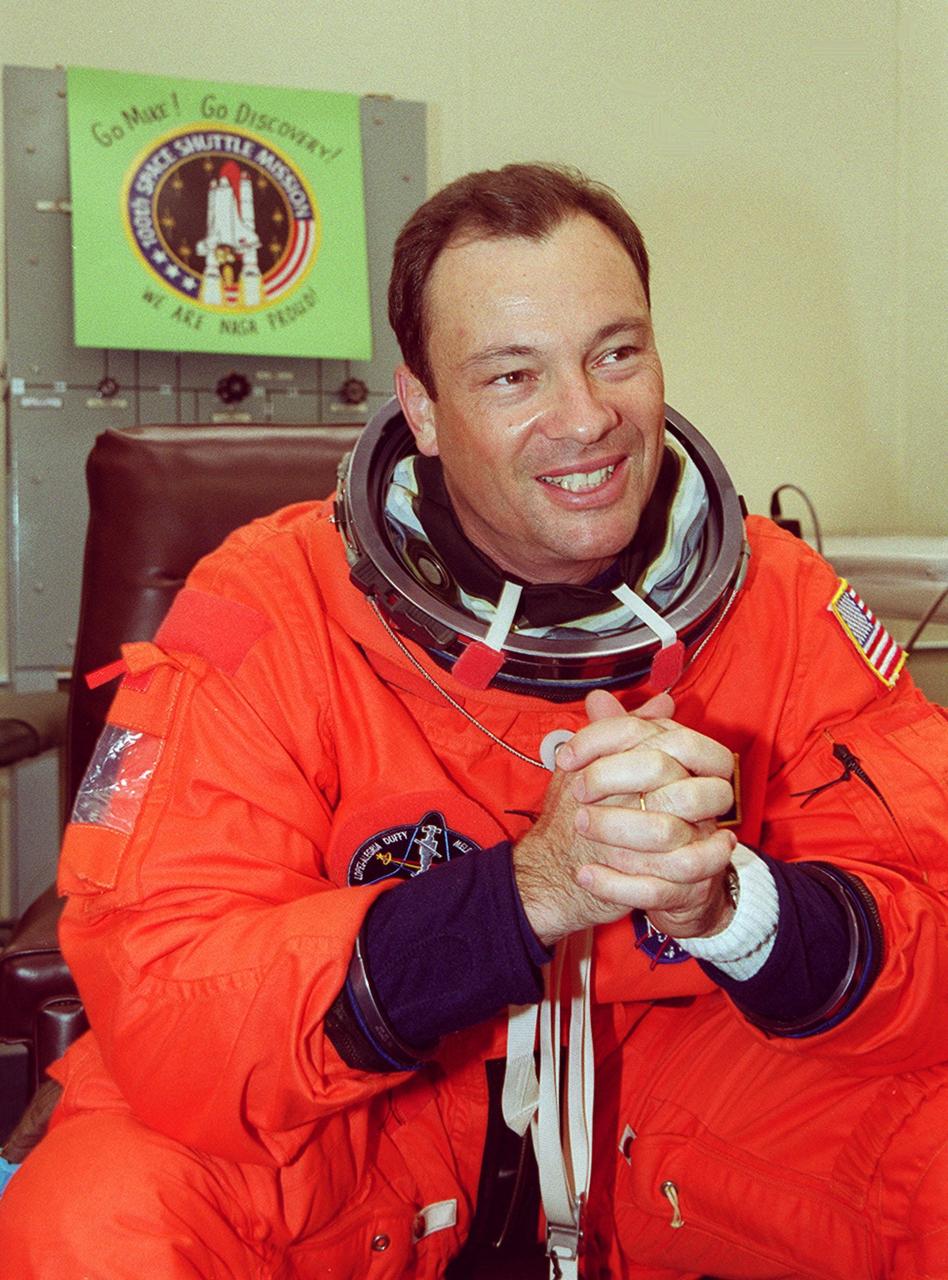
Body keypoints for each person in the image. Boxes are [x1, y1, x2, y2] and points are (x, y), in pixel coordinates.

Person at [1, 163, 946, 1280]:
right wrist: (524, 892)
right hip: (378, 1119)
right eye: (512, 375)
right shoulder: (272, 607)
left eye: (616, 351)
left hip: (688, 1087)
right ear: (423, 412)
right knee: (101, 1214)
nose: (588, 417)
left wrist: (734, 904)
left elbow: (924, 913)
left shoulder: (781, 602)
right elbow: (168, 994)